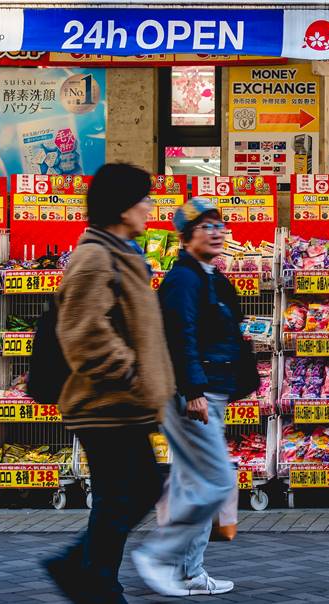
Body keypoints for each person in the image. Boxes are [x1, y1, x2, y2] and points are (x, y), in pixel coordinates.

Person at [44, 163, 175, 604]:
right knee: (128, 493)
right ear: (122, 206)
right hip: (104, 404)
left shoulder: (121, 253)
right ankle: (90, 578)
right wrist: (128, 372)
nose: (149, 208)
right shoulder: (95, 256)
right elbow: (83, 331)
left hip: (125, 404)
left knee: (130, 492)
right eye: (144, 199)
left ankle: (90, 575)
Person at [133, 197, 258, 597]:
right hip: (193, 396)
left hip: (210, 390)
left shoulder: (209, 276)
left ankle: (190, 572)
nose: (217, 232)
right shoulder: (183, 280)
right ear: (186, 237)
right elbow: (178, 337)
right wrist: (192, 390)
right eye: (206, 226)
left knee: (194, 484)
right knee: (217, 480)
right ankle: (158, 556)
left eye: (220, 224)